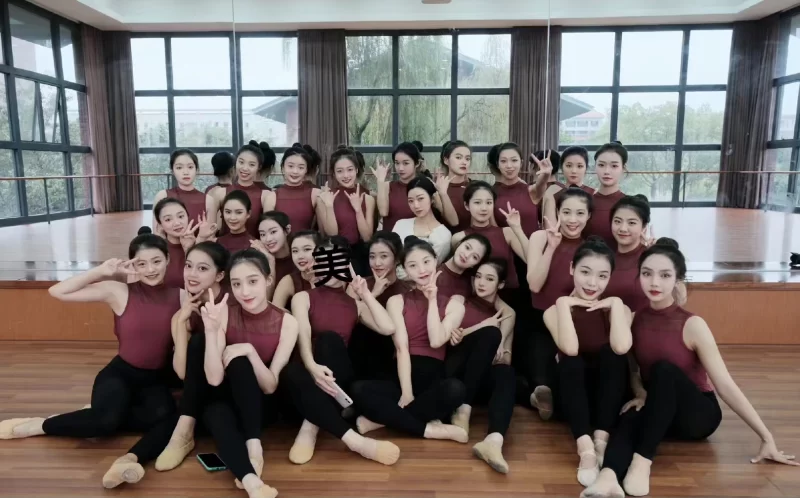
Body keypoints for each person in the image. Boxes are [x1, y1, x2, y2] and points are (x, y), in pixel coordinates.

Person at [582, 239, 799, 498]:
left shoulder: (692, 324)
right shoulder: (636, 318)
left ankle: (642, 463)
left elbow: (725, 385)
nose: (654, 282)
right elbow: (634, 369)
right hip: (660, 410)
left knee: (664, 371)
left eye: (665, 275)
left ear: (678, 279)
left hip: (697, 415)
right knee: (631, 414)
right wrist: (639, 391)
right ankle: (608, 477)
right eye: (647, 274)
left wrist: (766, 436)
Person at [0, 233, 181, 489]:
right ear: (132, 264)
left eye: (156, 261)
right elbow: (57, 291)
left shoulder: (181, 296)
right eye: (142, 263)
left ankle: (122, 449)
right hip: (121, 373)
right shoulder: (118, 290)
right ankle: (40, 425)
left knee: (165, 418)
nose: (150, 269)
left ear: (168, 260)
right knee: (104, 423)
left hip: (154, 379)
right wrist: (101, 271)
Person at [191, 249, 298, 498]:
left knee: (241, 361)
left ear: (268, 280)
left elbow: (270, 386)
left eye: (252, 282)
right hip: (226, 399)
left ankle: (254, 446)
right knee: (217, 414)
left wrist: (250, 351)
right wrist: (211, 331)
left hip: (259, 406)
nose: (244, 292)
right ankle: (252, 483)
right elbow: (214, 379)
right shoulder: (224, 312)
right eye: (237, 284)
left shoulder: (288, 321)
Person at [284, 237, 400, 466]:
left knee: (329, 340)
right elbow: (303, 335)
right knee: (290, 371)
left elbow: (388, 328)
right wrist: (311, 366)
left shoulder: (355, 304)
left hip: (336, 383)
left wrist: (365, 293)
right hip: (308, 378)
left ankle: (309, 427)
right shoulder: (302, 297)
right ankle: (356, 442)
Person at [351, 237, 469, 443]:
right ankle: (429, 429)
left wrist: (432, 300)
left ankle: (384, 421)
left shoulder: (455, 305)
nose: (421, 270)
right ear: (405, 270)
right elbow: (401, 347)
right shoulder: (396, 301)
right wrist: (406, 393)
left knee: (456, 389)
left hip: (432, 375)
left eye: (426, 262)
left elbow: (436, 341)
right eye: (413, 265)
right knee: (358, 390)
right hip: (402, 373)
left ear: (436, 261)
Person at [542, 237, 632, 487]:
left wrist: (616, 304)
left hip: (607, 399)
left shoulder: (619, 309)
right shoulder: (554, 311)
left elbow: (622, 347)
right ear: (572, 269)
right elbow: (570, 349)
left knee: (613, 356)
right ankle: (585, 449)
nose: (593, 283)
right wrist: (563, 303)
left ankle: (601, 442)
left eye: (602, 276)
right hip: (571, 398)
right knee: (571, 361)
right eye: (585, 272)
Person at [154, 241, 230, 470]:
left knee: (200, 341)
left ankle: (184, 430)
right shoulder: (187, 309)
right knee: (154, 414)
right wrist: (181, 322)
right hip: (197, 387)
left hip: (226, 383)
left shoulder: (229, 304)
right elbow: (181, 372)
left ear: (220, 275)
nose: (192, 274)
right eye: (188, 266)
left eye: (203, 268)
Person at [525, 186, 593, 420]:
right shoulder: (540, 238)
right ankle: (538, 392)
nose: (572, 220)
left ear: (588, 216)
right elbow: (535, 285)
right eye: (566, 212)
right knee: (540, 382)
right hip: (539, 319)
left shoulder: (589, 248)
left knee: (566, 393)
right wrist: (552, 247)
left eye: (580, 213)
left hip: (572, 321)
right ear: (558, 213)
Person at [446, 259, 517, 474]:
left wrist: (498, 350)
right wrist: (483, 327)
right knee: (491, 333)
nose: (481, 283)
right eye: (478, 277)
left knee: (506, 372)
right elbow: (446, 341)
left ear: (500, 284)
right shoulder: (460, 301)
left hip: (479, 378)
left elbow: (506, 358)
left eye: (489, 278)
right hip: (454, 371)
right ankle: (463, 409)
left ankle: (493, 441)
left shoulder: (506, 313)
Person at [347, 231, 412, 379]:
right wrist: (373, 293)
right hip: (358, 353)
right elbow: (348, 322)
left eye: (384, 256)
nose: (377, 263)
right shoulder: (358, 285)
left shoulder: (407, 290)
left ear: (397, 259)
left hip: (390, 356)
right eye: (372, 256)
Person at [452, 181, 528, 295]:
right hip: (476, 297)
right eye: (477, 202)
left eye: (489, 202)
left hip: (510, 295)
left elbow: (531, 260)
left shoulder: (507, 233)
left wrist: (517, 229)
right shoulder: (459, 238)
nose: (484, 208)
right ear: (467, 205)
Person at [373, 141, 458, 232]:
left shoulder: (426, 185)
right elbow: (383, 212)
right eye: (397, 163)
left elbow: (453, 221)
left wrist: (442, 193)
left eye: (406, 163)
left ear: (417, 163)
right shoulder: (387, 186)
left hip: (420, 238)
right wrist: (380, 181)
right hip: (392, 238)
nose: (400, 168)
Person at [317, 146, 375, 276]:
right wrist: (329, 206)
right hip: (335, 255)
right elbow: (332, 235)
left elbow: (367, 237)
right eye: (340, 171)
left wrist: (358, 210)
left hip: (361, 257)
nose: (346, 175)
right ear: (333, 173)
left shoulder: (368, 198)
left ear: (356, 170)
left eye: (350, 170)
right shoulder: (323, 199)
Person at [208, 141, 277, 238]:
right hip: (222, 246)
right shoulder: (220, 193)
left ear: (259, 167)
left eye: (251, 165)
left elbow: (268, 231)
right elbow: (209, 230)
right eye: (241, 162)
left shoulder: (266, 196)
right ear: (235, 162)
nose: (245, 168)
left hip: (253, 246)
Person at [391, 175, 452, 277]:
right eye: (411, 201)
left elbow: (430, 268)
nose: (416, 205)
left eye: (420, 199)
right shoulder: (400, 225)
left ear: (432, 199)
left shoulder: (443, 235)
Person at [489, 142, 552, 238]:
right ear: (498, 164)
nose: (509, 165)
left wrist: (546, 175)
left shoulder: (531, 191)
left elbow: (541, 184)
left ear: (521, 163)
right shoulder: (490, 193)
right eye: (503, 161)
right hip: (502, 246)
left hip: (532, 246)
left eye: (514, 160)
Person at [604, 195, 653, 312]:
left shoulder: (652, 258)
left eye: (631, 223)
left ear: (644, 227)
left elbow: (679, 298)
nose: (623, 228)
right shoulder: (605, 260)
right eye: (617, 221)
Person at [584, 142, 628, 247]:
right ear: (595, 167)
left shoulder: (630, 205)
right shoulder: (584, 202)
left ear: (623, 168)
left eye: (614, 166)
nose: (607, 171)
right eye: (601, 165)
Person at [152, 149, 206, 228]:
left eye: (190, 167)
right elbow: (157, 232)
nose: (186, 172)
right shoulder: (162, 196)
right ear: (172, 171)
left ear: (197, 170)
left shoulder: (208, 200)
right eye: (179, 168)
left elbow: (209, 233)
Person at [274, 143, 323, 232]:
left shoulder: (316, 194)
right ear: (283, 167)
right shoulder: (272, 196)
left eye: (301, 167)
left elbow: (322, 231)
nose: (295, 171)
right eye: (290, 166)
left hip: (308, 240)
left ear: (306, 170)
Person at [542, 146, 596, 225]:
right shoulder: (553, 192)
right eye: (569, 166)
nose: (574, 171)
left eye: (579, 166)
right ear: (562, 167)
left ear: (586, 168)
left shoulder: (593, 193)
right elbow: (549, 226)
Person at [271, 230, 322, 310]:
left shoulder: (332, 278)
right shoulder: (289, 281)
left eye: (307, 249)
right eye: (295, 251)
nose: (300, 256)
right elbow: (274, 312)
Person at [153, 197, 196, 289]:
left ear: (187, 216)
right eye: (168, 219)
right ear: (160, 225)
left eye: (180, 216)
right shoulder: (156, 251)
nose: (177, 223)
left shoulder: (202, 246)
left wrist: (188, 249)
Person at [251, 211, 295, 299]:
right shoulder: (258, 262)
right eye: (262, 234)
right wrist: (270, 260)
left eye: (273, 232)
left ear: (287, 230)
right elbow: (265, 300)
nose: (268, 239)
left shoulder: (298, 257)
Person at [436, 233, 491, 299]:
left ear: (476, 265)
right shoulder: (432, 272)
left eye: (474, 257)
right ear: (459, 244)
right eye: (467, 247)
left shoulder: (473, 285)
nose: (467, 255)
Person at [439, 140, 473, 231]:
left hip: (472, 237)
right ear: (446, 160)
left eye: (467, 159)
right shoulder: (437, 187)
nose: (464, 162)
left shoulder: (475, 187)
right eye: (458, 157)